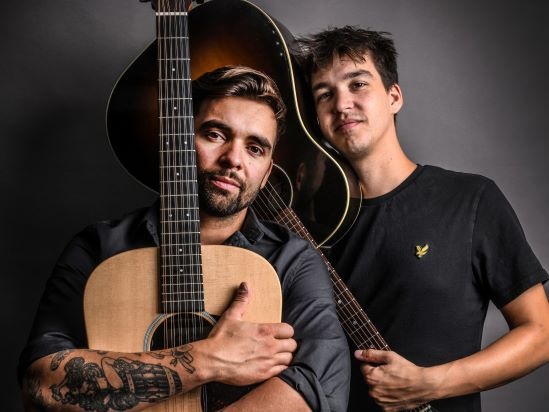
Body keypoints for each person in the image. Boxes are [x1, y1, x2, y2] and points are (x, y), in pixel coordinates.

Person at [18, 66, 350, 411]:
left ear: (266, 174)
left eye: (255, 149)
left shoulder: (292, 260)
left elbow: (319, 388)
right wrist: (208, 359)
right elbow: (40, 385)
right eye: (216, 134)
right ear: (175, 145)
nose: (233, 159)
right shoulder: (99, 249)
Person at [295, 27, 549, 411]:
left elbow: (541, 333)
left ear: (394, 96)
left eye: (358, 84)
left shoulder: (471, 200)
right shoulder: (306, 224)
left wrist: (429, 384)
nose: (342, 104)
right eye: (325, 94)